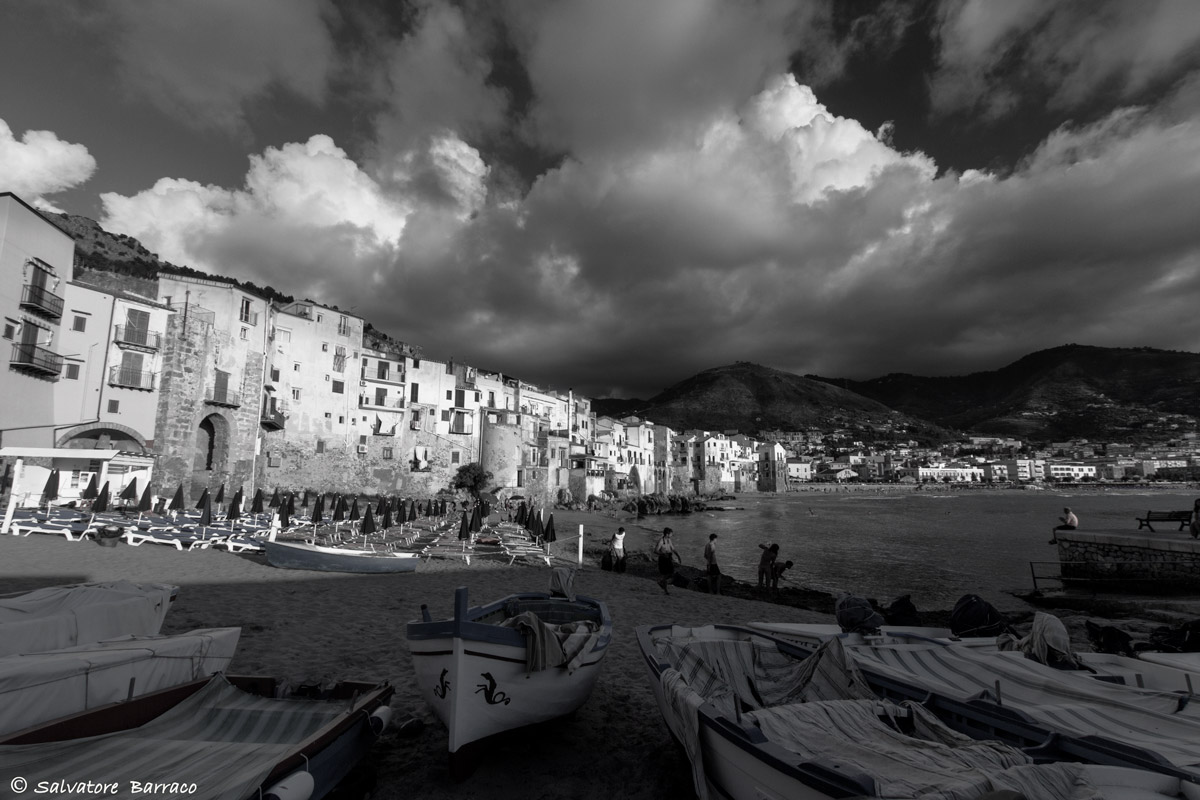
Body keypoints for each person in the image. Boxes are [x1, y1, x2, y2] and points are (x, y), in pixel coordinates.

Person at [654, 527, 682, 595]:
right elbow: (655, 550)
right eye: (671, 534)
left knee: (670, 573)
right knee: (665, 574)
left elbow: (673, 549)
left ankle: (661, 582)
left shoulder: (669, 540)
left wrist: (678, 556)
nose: (672, 535)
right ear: (667, 534)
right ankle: (665, 590)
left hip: (669, 558)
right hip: (663, 559)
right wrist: (662, 554)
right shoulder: (661, 541)